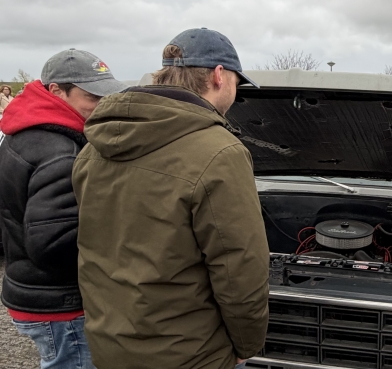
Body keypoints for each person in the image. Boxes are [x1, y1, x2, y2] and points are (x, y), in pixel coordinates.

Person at [72, 27, 269, 369]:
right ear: (219, 76)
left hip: (109, 344)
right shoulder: (220, 152)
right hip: (190, 354)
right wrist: (247, 344)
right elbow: (239, 270)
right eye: (238, 82)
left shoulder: (93, 147)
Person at [0, 49, 126, 368]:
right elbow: (53, 244)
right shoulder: (62, 152)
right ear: (56, 90)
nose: (101, 105)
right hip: (60, 301)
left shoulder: (23, 131)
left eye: (106, 95)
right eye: (91, 96)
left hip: (29, 288)